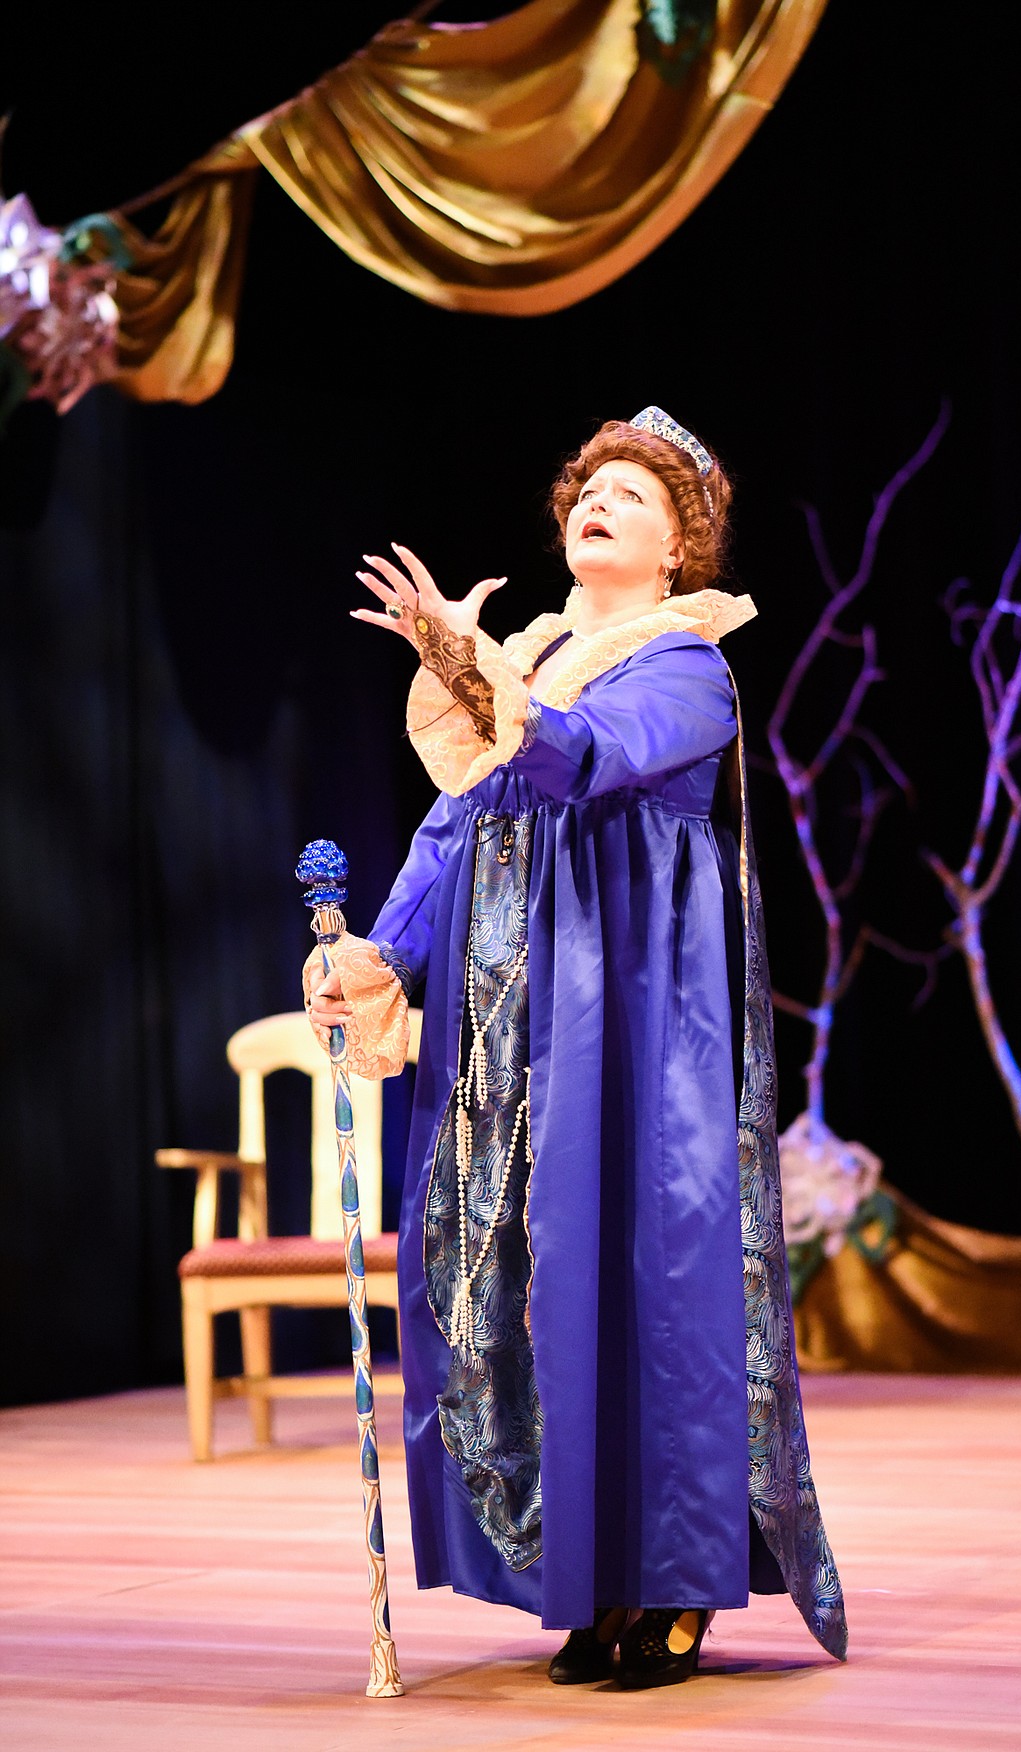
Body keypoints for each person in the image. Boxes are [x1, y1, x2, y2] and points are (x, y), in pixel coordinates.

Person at [304, 408, 847, 1689]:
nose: (598, 503)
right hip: (516, 1027)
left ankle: (672, 1580)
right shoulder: (530, 659)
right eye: (586, 488)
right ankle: (583, 1571)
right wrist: (382, 954)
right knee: (524, 1295)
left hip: (634, 1022)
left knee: (650, 1284)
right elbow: (458, 833)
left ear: (678, 552)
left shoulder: (684, 662)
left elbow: (583, 761)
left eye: (633, 496)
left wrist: (469, 659)